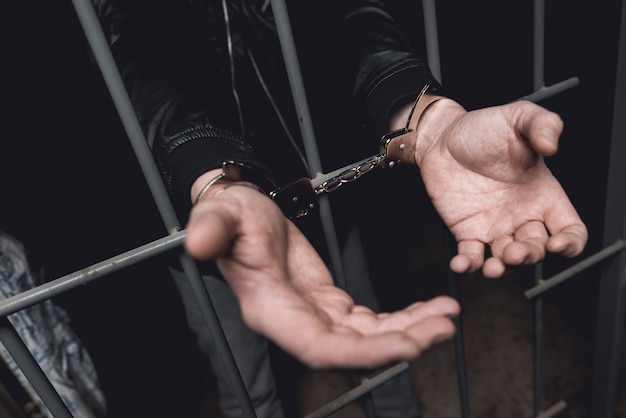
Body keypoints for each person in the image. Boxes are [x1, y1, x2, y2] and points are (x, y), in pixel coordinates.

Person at [91, 0, 588, 416]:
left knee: (378, 351)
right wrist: (215, 177)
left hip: (319, 197)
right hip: (195, 214)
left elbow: (351, 16)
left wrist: (423, 115)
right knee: (246, 387)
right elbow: (128, 59)